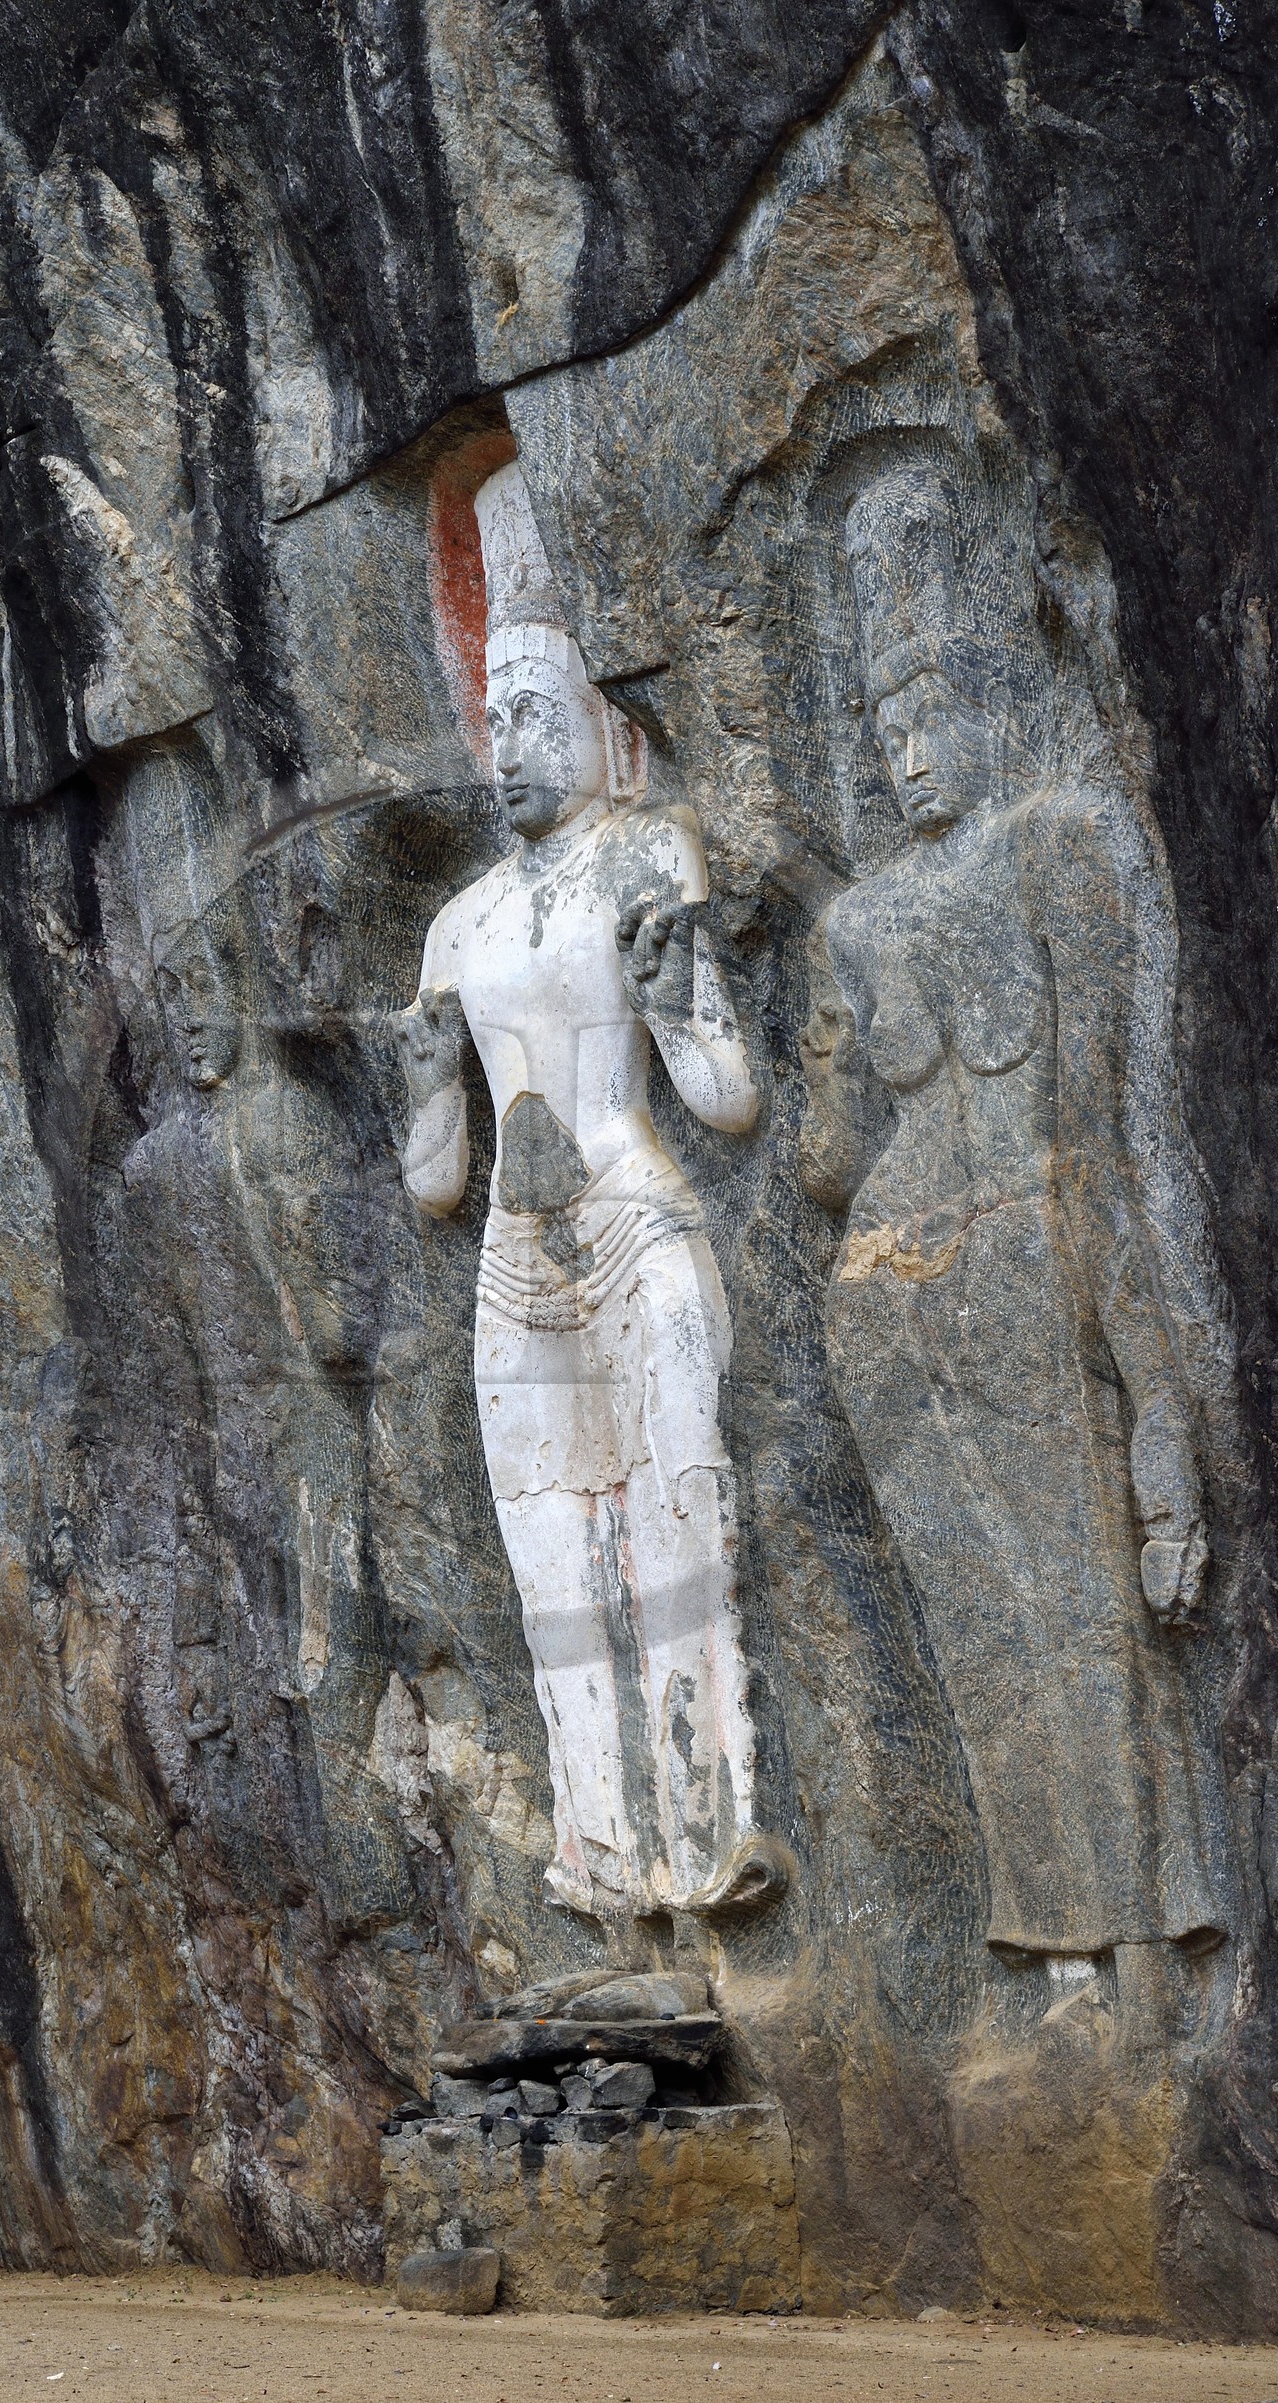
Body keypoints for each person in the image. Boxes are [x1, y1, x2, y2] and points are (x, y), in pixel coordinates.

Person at [799, 448, 1227, 1988]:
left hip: (1044, 1279)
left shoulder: (1058, 844)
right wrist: (766, 1028)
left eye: (935, 710)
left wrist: (1160, 1398)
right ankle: (1050, 1940)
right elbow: (828, 1160)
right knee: (988, 1653)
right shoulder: (854, 919)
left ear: (993, 697)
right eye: (885, 723)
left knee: (1092, 1625)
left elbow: (1105, 1137)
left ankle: (1143, 1941)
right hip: (898, 1319)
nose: (911, 752)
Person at [396, 461, 779, 1925]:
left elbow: (727, 1094)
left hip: (636, 1219)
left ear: (601, 731)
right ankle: (599, 1852)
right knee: (552, 1564)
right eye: (493, 721)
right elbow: (439, 1186)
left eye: (538, 715)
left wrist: (679, 988)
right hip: (513, 1262)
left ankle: (712, 1828)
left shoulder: (645, 851)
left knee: (683, 1520)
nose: (509, 745)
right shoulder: (455, 928)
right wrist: (422, 1087)